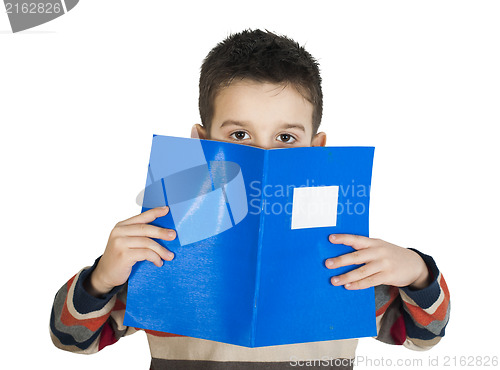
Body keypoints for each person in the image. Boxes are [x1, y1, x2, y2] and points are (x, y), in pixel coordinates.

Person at [50, 29, 450, 369]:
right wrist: (102, 277)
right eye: (239, 135)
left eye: (286, 138)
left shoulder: (345, 259)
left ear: (316, 149)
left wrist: (417, 272)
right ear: (202, 144)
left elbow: (422, 336)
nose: (263, 156)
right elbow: (72, 338)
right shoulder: (162, 249)